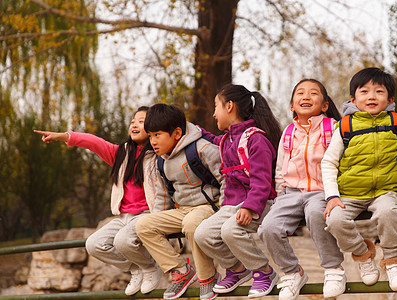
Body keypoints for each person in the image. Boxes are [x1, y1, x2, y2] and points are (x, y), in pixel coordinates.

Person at [321, 67, 397, 295]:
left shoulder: (396, 122)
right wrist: (332, 196)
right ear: (353, 99)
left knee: (388, 213)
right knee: (334, 220)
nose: (372, 96)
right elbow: (329, 163)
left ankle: (394, 261)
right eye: (364, 92)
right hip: (351, 193)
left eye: (379, 91)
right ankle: (363, 255)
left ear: (390, 99)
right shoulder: (346, 126)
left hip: (385, 191)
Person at [34, 106, 162, 296]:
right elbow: (93, 142)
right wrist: (62, 136)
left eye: (141, 121)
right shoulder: (121, 153)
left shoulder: (159, 154)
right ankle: (136, 268)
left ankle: (150, 268)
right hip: (123, 217)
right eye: (133, 121)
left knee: (123, 240)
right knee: (93, 244)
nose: (135, 124)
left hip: (145, 215)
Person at [257, 79, 346, 299]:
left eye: (313, 93)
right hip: (291, 192)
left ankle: (334, 268)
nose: (306, 97)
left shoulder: (332, 127)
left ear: (324, 105)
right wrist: (280, 195)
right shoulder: (288, 132)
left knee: (316, 215)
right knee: (268, 227)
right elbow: (280, 166)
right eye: (300, 93)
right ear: (292, 105)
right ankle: (291, 272)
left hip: (320, 190)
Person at [194, 84, 282, 298]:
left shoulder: (256, 140)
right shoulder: (227, 140)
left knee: (229, 230)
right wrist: (194, 130)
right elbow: (213, 139)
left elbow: (261, 181)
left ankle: (264, 272)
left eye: (216, 106)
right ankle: (237, 269)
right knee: (202, 234)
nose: (214, 113)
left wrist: (251, 208)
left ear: (230, 106)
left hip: (260, 203)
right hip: (231, 206)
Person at [135, 103, 224, 300]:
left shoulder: (202, 149)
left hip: (209, 207)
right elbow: (163, 195)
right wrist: (160, 226)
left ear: (176, 133)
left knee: (192, 223)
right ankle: (181, 271)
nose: (152, 141)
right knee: (143, 225)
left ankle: (208, 277)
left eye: (157, 135)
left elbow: (226, 179)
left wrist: (225, 210)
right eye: (150, 136)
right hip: (183, 211)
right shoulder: (161, 160)